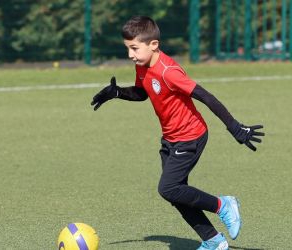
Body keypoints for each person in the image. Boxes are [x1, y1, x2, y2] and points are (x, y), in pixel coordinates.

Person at [90, 16, 264, 250]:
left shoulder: (169, 71)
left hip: (191, 136)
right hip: (170, 139)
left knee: (168, 188)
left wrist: (234, 127)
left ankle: (223, 205)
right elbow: (143, 93)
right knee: (175, 193)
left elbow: (206, 96)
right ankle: (213, 241)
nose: (131, 54)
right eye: (128, 49)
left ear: (153, 45)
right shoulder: (142, 66)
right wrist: (118, 93)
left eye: (134, 48)